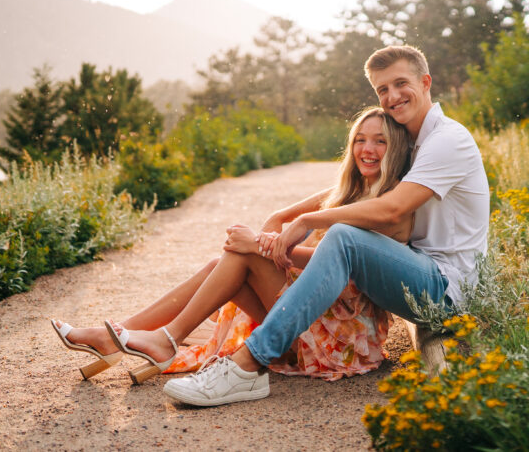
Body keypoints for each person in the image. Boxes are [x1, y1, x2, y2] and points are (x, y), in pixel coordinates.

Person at [161, 44, 489, 407]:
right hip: (414, 271)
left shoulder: (446, 140)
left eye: (400, 83)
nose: (392, 96)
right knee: (332, 238)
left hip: (445, 288)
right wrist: (288, 213)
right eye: (382, 89)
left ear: (425, 82)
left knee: (344, 237)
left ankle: (247, 366)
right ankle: (158, 337)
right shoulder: (410, 139)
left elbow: (391, 209)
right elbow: (355, 186)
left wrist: (307, 221)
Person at [51, 106, 412, 386]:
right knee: (221, 264)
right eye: (360, 139)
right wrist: (274, 222)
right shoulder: (352, 189)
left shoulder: (391, 204)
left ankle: (160, 338)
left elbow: (336, 265)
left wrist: (260, 245)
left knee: (242, 255)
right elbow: (296, 211)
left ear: (394, 148)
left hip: (341, 340)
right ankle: (120, 336)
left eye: (380, 141)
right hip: (316, 317)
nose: (368, 149)